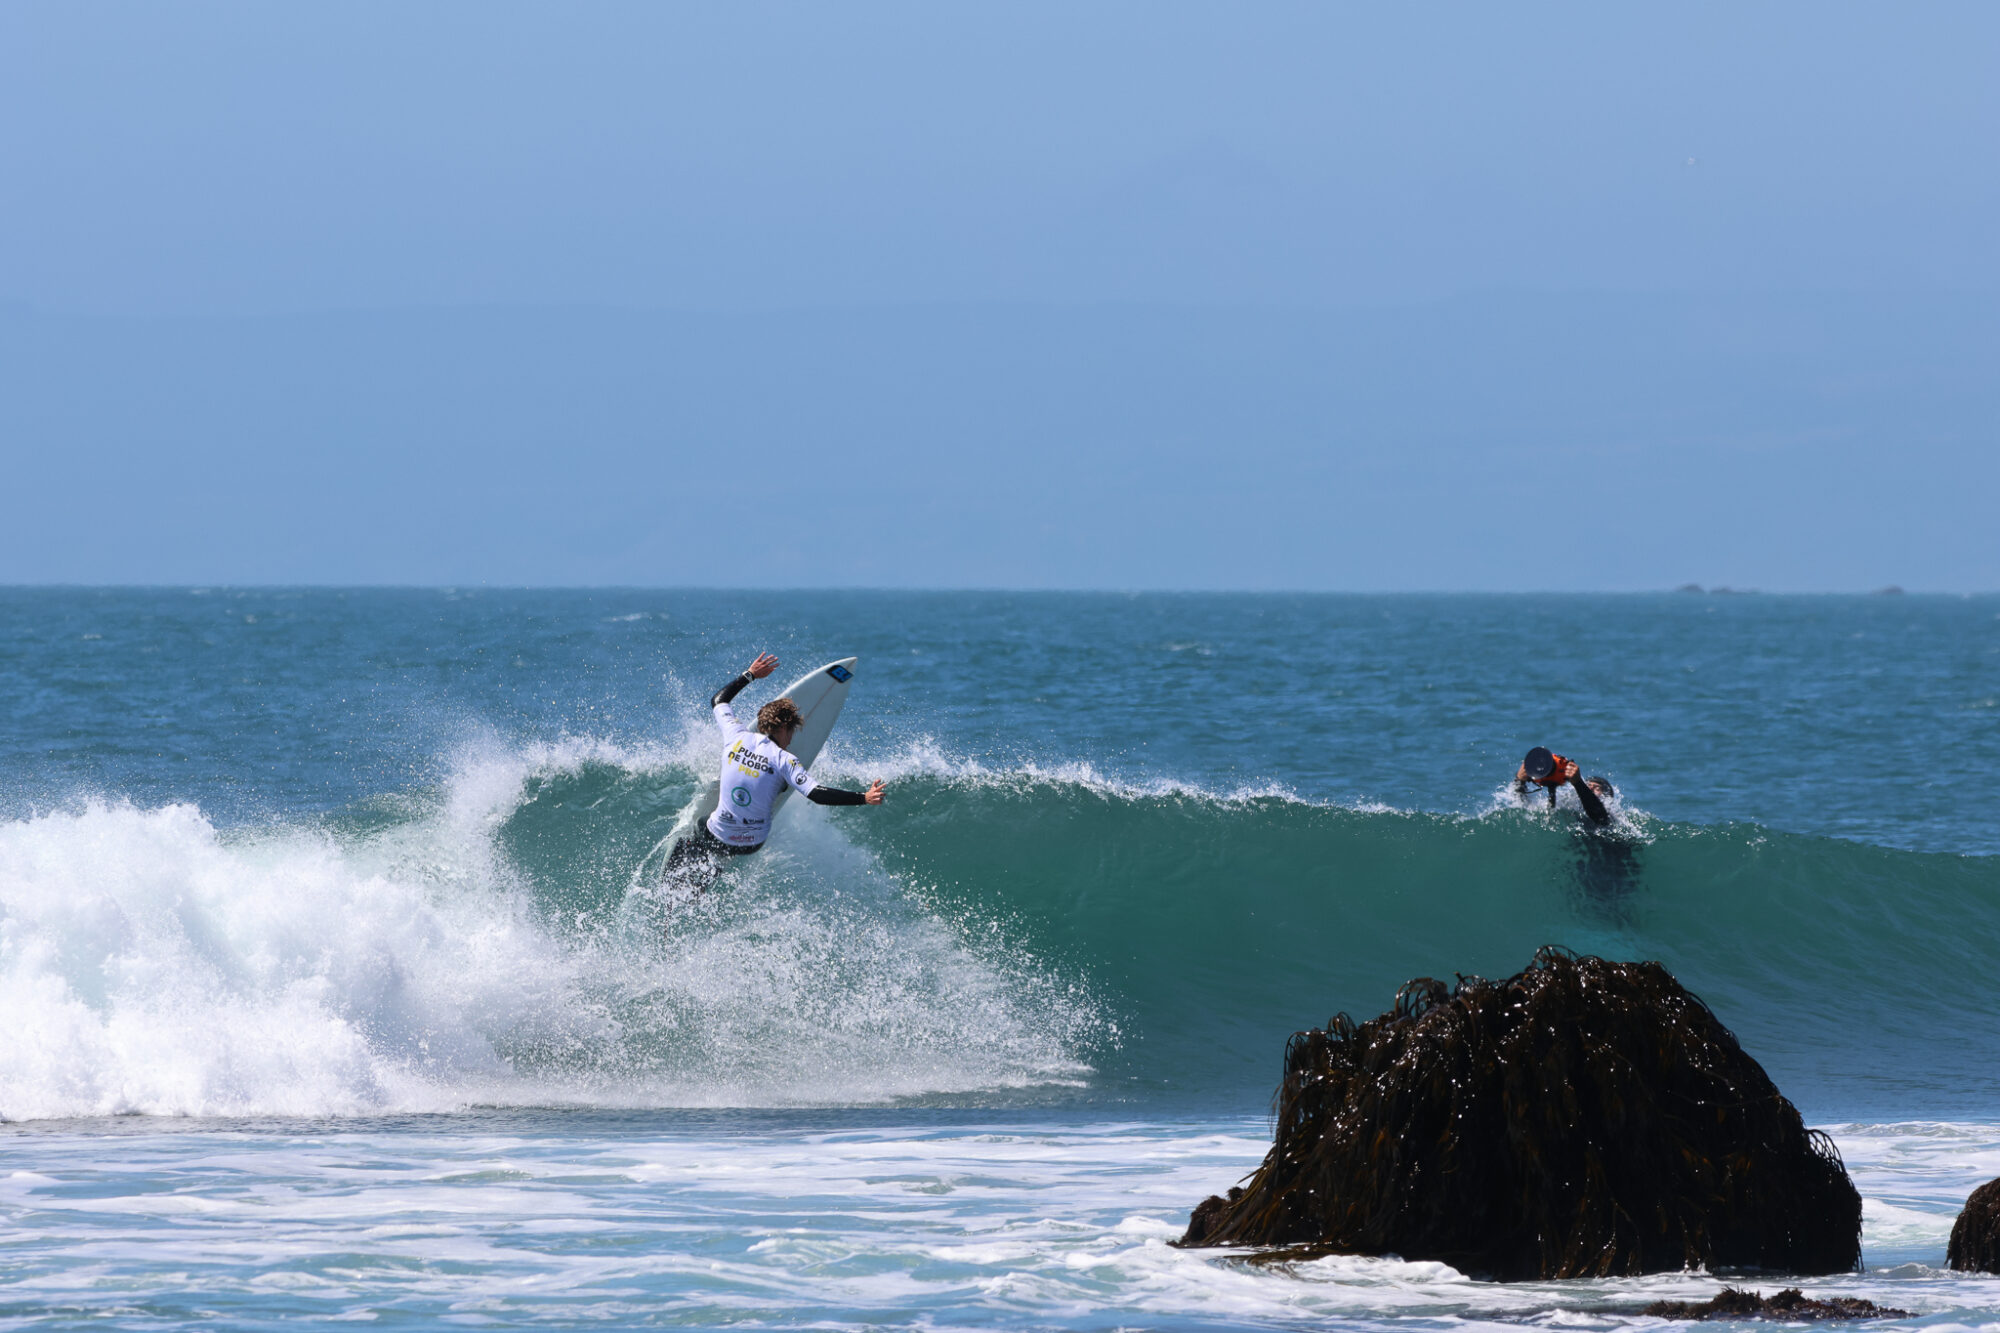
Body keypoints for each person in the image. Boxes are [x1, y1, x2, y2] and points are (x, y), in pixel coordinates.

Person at [665, 652, 885, 884]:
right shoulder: (785, 760)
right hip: (752, 844)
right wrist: (865, 797)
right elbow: (817, 794)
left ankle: (681, 886)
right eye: (792, 731)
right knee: (778, 781)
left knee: (699, 828)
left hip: (718, 835)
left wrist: (750, 675)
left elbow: (719, 701)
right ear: (785, 729)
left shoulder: (736, 736)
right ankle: (714, 870)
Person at [1514, 746, 1613, 827]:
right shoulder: (1570, 809)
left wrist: (1578, 783)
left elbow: (1601, 819)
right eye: (1588, 785)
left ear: (1608, 796)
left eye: (1597, 788)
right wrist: (1519, 781)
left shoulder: (1611, 816)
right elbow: (1522, 808)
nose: (1590, 788)